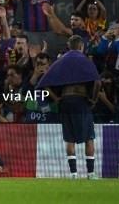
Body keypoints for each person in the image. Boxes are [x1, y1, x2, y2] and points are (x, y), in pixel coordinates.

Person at [36, 36, 100, 179]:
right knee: (89, 137)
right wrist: (94, 100)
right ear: (81, 46)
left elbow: (44, 83)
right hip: (81, 101)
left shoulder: (61, 61)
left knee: (69, 138)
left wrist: (56, 98)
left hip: (65, 101)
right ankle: (91, 174)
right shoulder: (85, 60)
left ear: (68, 46)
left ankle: (73, 174)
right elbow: (97, 82)